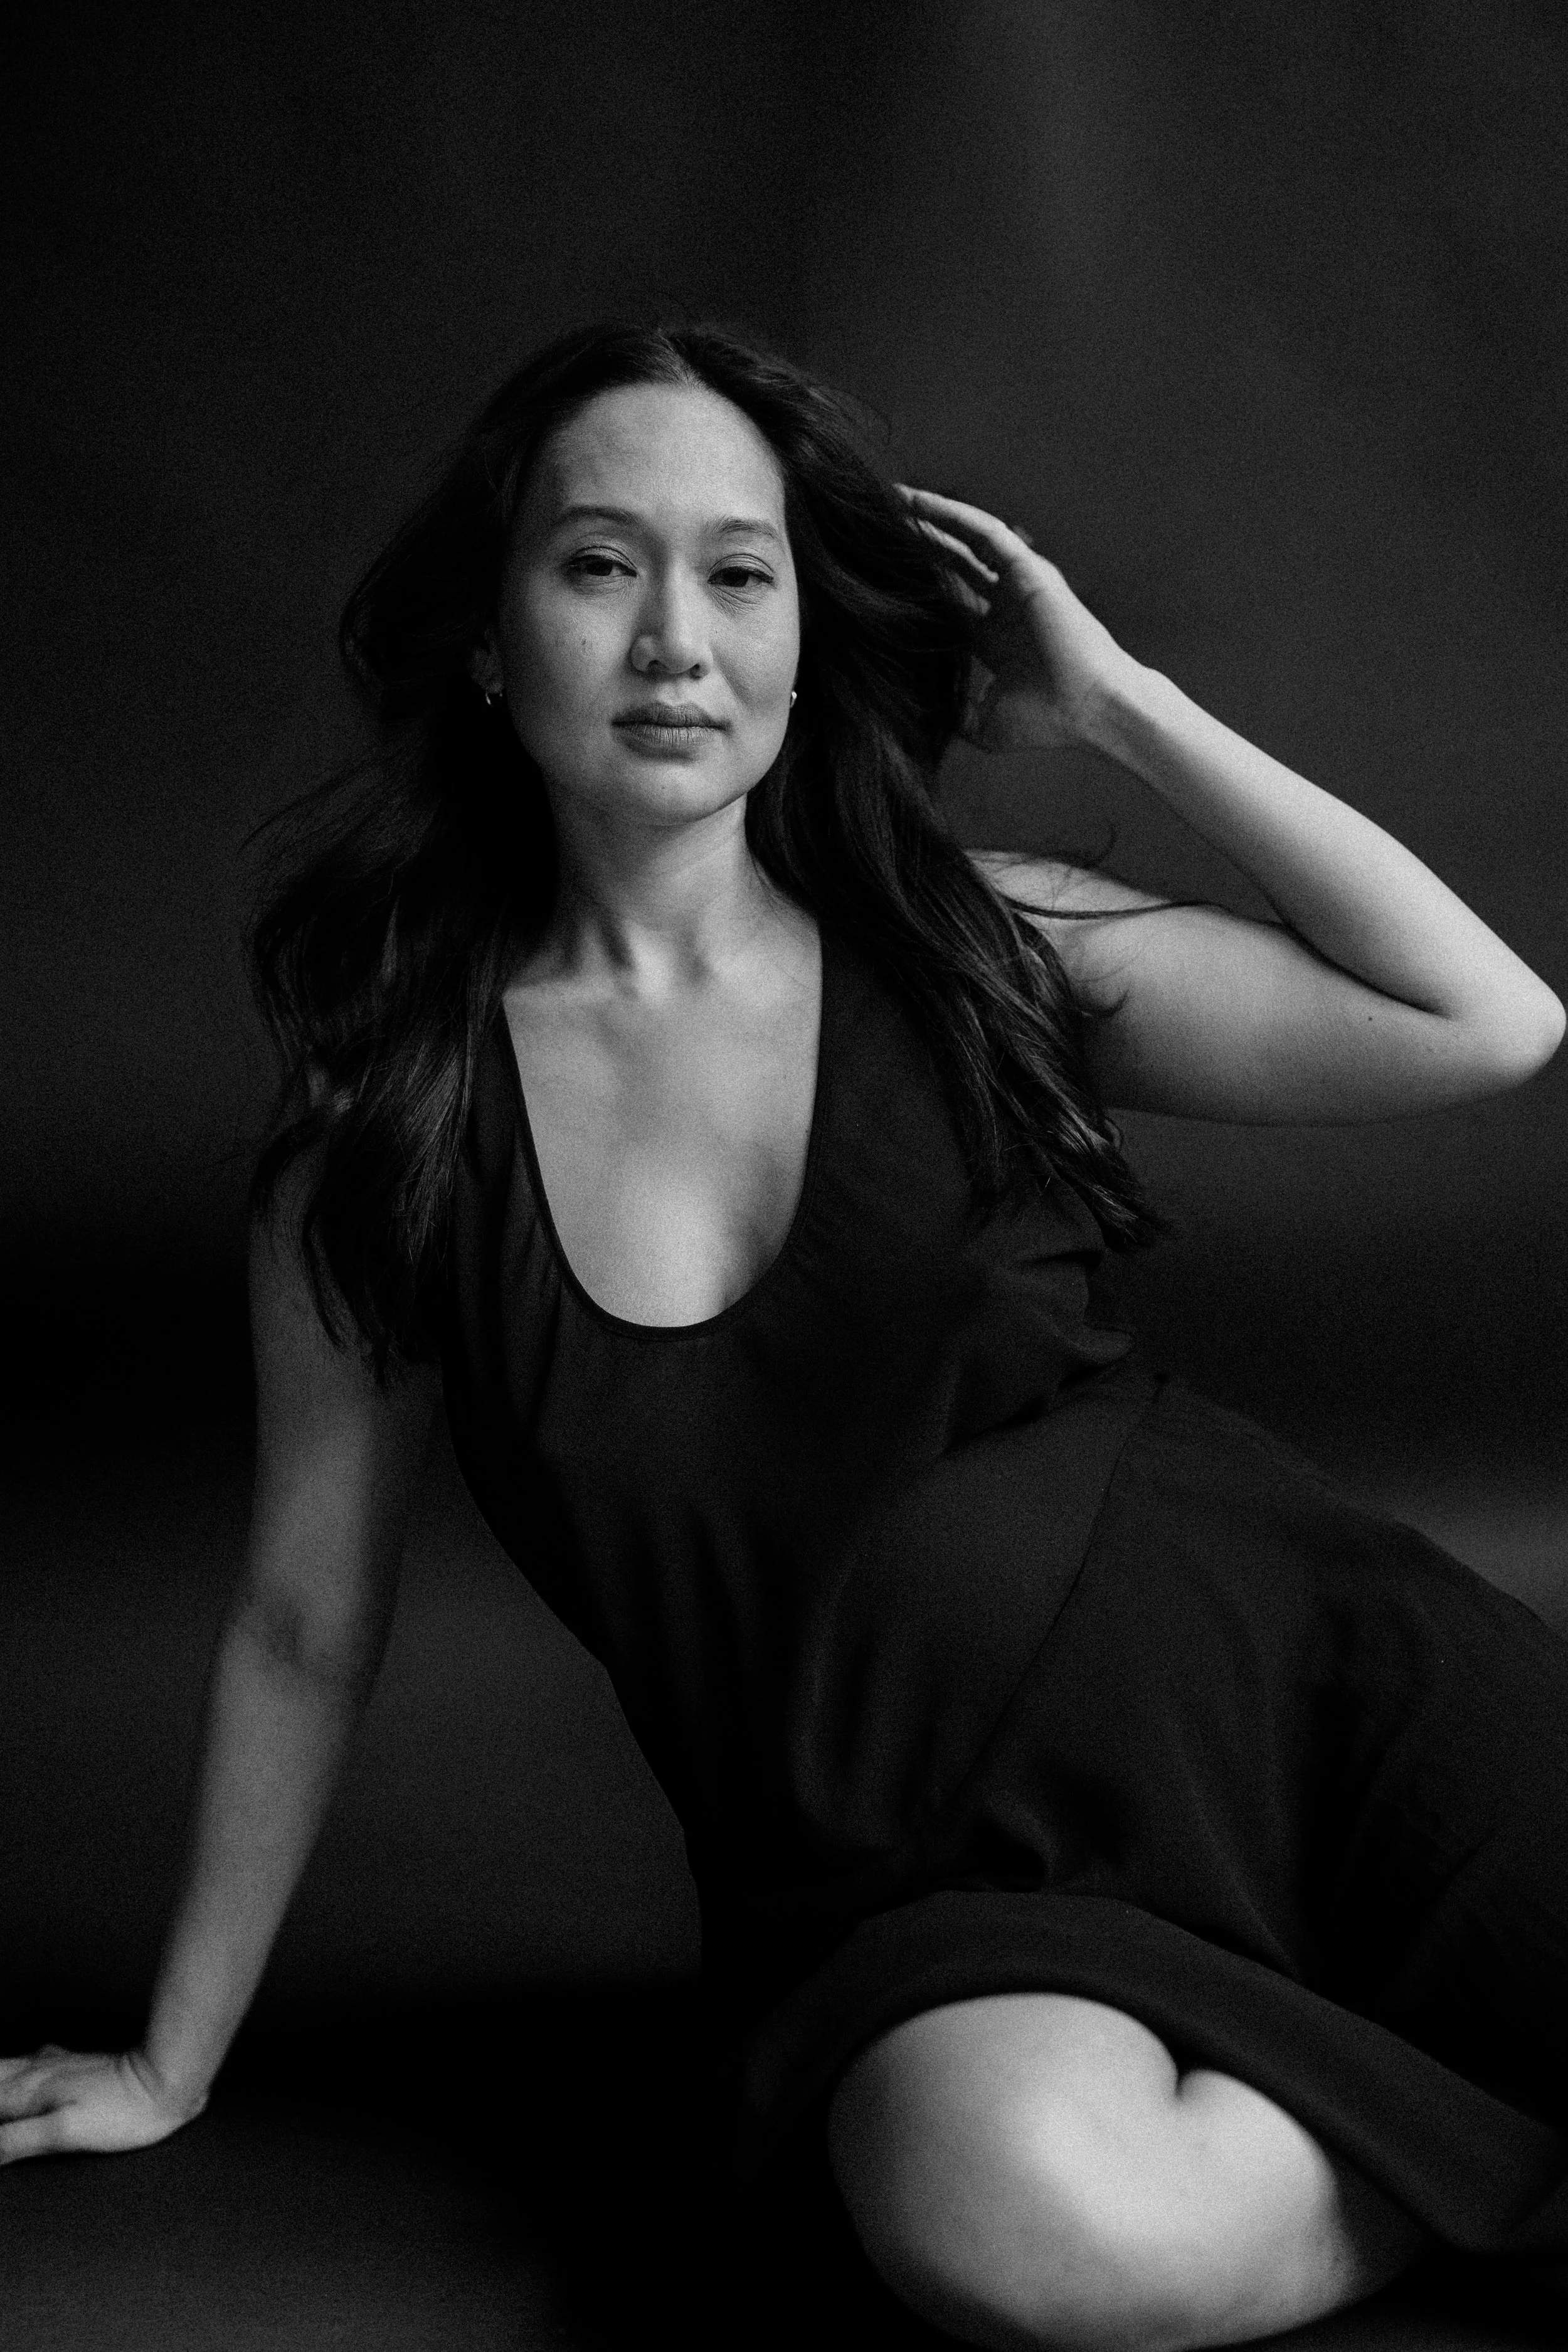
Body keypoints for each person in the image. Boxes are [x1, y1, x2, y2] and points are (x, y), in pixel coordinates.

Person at [2, 319, 1565, 2352]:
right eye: (598, 565)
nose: (677, 637)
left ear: (809, 640)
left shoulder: (975, 948)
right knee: (1022, 2229)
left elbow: (1490, 1023)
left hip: (1317, 1705)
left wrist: (1121, 709)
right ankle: (1491, 2161)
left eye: (740, 573)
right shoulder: (380, 1145)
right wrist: (176, 2058)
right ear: (488, 639)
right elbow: (306, 1614)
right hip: (916, 1896)